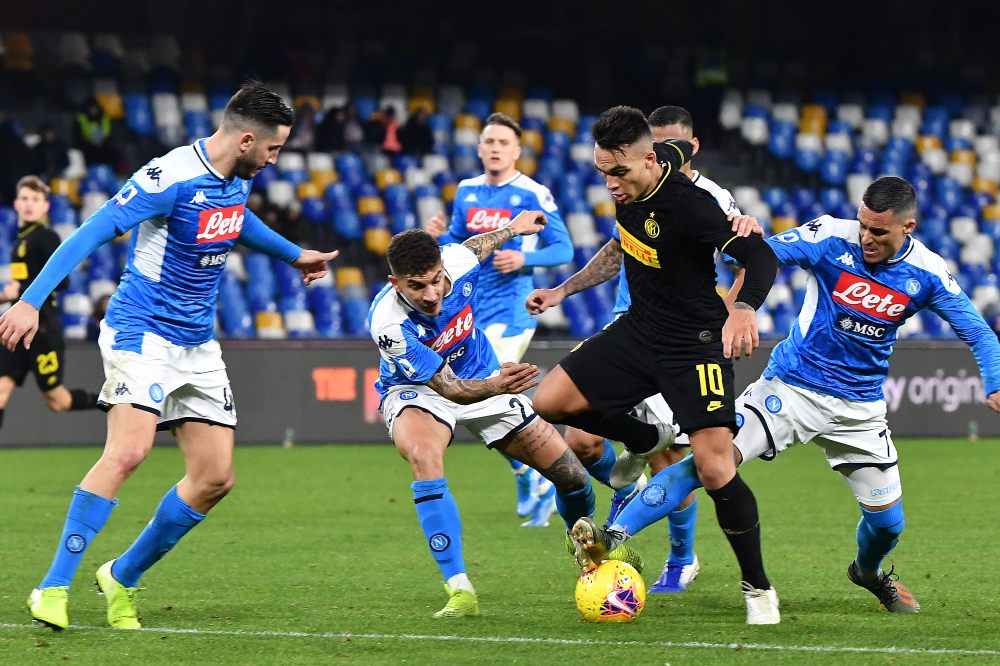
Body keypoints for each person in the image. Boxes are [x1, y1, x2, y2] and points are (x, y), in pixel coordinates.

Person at [0, 80, 339, 631]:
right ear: (248, 139)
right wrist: (32, 301)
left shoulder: (235, 177)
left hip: (197, 341)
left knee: (215, 477)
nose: (276, 160)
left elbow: (237, 222)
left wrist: (293, 254)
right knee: (129, 451)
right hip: (142, 332)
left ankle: (122, 576)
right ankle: (52, 587)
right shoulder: (171, 175)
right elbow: (95, 230)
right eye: (274, 149)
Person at [602, 176, 1000, 614]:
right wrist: (742, 278)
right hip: (791, 389)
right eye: (863, 225)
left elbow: (977, 330)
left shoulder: (927, 271)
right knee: (708, 460)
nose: (866, 237)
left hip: (859, 410)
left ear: (909, 226)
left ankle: (867, 573)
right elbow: (763, 255)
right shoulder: (830, 235)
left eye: (879, 231)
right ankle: (610, 537)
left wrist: (995, 381)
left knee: (888, 525)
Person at [526, 105, 781, 624]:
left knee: (714, 467)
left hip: (695, 344)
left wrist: (744, 309)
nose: (610, 183)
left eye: (618, 172)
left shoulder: (692, 207)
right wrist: (563, 290)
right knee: (547, 403)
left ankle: (758, 588)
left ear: (648, 160)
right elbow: (682, 151)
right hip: (639, 330)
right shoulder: (651, 160)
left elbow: (761, 257)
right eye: (601, 172)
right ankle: (644, 439)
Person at [369, 218, 638, 618]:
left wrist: (514, 228)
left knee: (572, 478)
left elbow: (479, 244)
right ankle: (460, 589)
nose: (431, 295)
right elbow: (448, 389)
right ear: (396, 284)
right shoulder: (388, 324)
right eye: (416, 287)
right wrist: (499, 385)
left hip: (482, 375)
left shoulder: (457, 260)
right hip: (420, 391)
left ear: (443, 266)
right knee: (425, 457)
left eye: (435, 280)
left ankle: (580, 541)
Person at [424, 112, 573, 527]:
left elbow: (564, 249)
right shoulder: (467, 191)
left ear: (516, 151)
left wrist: (526, 257)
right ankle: (530, 473)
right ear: (478, 148)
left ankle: (541, 477)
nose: (494, 148)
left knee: (484, 394)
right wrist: (438, 239)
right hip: (469, 313)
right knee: (475, 399)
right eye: (488, 142)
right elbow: (458, 245)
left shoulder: (533, 193)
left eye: (503, 143)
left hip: (511, 313)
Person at [0, 176, 100, 431]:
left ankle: (113, 403)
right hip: (17, 329)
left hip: (42, 330)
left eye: (35, 199)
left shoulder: (46, 237)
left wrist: (18, 291)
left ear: (46, 206)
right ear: (15, 204)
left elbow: (63, 282)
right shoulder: (21, 239)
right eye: (24, 198)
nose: (29, 204)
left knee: (58, 400)